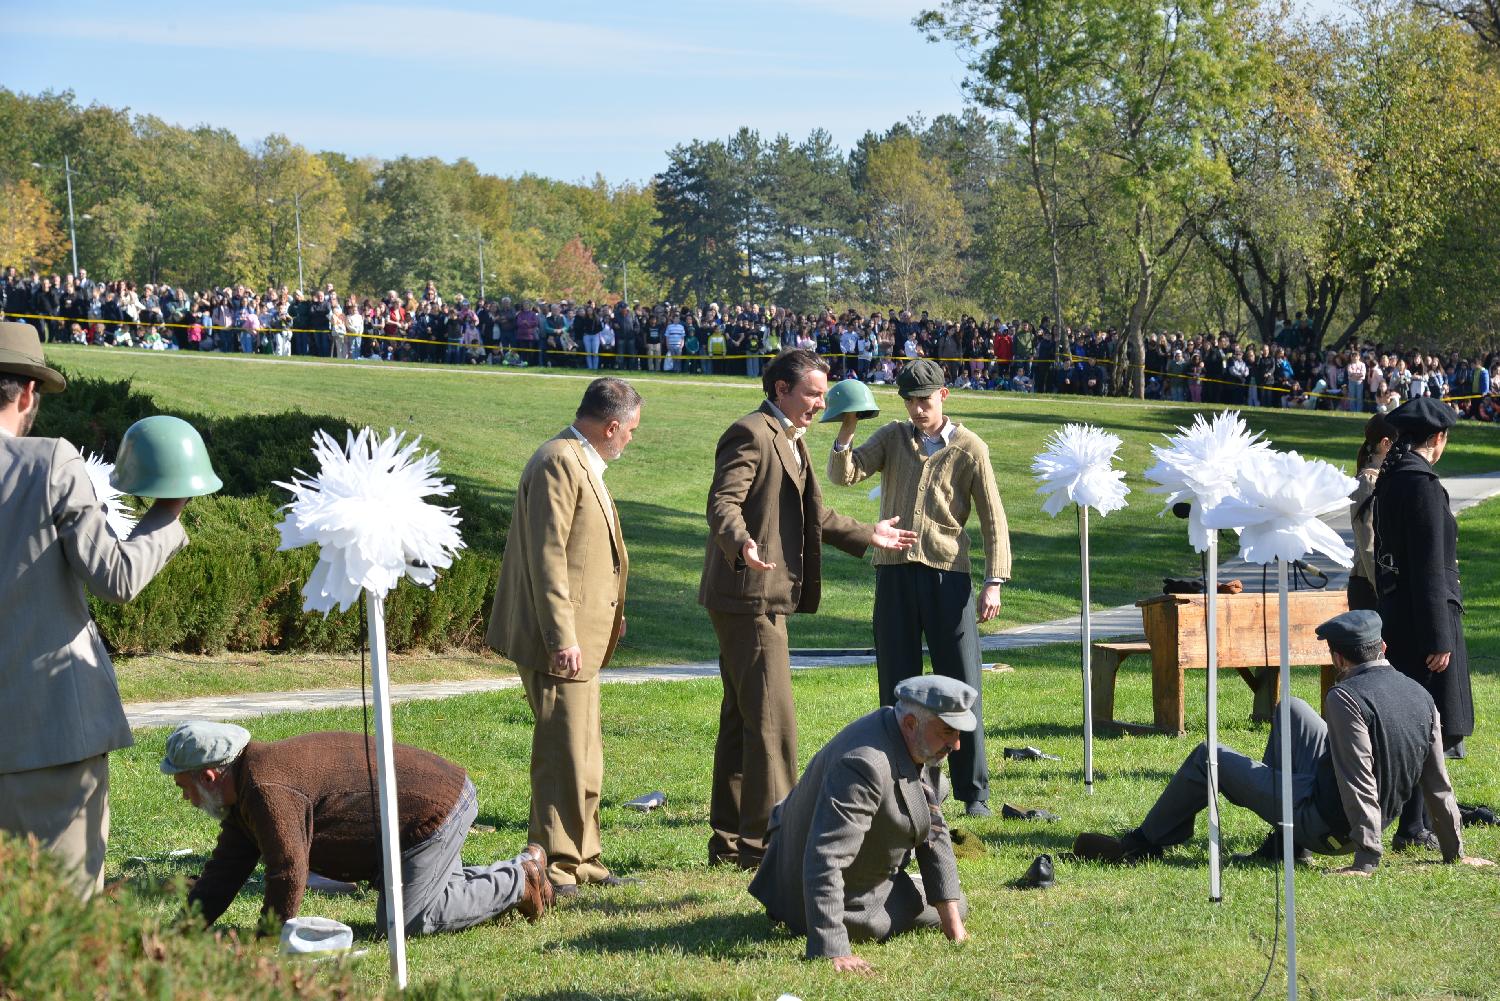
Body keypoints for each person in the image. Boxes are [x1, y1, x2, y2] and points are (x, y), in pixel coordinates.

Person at [698, 349, 917, 870]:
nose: (821, 403)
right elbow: (722, 502)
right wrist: (742, 542)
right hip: (749, 596)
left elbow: (816, 514)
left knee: (743, 721)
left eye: (823, 393)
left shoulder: (791, 441)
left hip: (760, 599)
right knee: (774, 724)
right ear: (780, 390)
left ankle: (732, 841)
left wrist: (871, 534)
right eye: (812, 393)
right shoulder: (752, 432)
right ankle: (772, 845)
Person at [1072, 611, 1492, 875]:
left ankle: (1142, 844)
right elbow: (1438, 783)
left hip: (1330, 827)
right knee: (1290, 708)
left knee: (1208, 757)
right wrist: (1455, 852)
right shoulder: (1421, 696)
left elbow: (1359, 780)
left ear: (1339, 659)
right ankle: (1281, 846)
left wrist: (1365, 860)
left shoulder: (1346, 697)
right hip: (1352, 811)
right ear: (1382, 648)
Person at [0, 321, 191, 897]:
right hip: (51, 730)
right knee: (60, 924)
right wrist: (169, 512)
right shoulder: (49, 462)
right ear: (29, 393)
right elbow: (117, 577)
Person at [827, 358, 1012, 817]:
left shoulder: (971, 448)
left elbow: (993, 519)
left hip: (948, 578)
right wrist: (846, 430)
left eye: (924, 401)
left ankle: (974, 793)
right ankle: (902, 781)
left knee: (961, 683)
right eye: (909, 401)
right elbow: (845, 474)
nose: (916, 410)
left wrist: (995, 581)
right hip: (892, 573)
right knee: (897, 682)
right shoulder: (892, 436)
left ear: (944, 396)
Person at [163, 722, 552, 934]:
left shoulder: (266, 789)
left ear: (211, 776)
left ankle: (521, 880)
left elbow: (288, 870)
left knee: (403, 920)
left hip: (434, 812)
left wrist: (269, 940)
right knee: (434, 894)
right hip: (417, 815)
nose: (185, 799)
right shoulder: (248, 786)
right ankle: (518, 872)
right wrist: (184, 928)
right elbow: (226, 869)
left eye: (184, 788)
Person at [486, 377, 642, 895]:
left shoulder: (582, 459)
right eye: (630, 432)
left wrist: (610, 611)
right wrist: (562, 636)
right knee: (562, 753)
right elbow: (547, 556)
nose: (630, 442)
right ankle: (553, 863)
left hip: (585, 636)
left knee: (585, 751)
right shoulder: (558, 460)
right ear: (612, 426)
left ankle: (584, 855)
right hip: (561, 641)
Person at [748, 676, 973, 971]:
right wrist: (832, 948)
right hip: (815, 902)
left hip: (823, 874)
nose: (956, 744)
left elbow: (933, 828)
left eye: (957, 733)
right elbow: (825, 856)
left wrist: (952, 923)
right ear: (910, 723)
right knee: (958, 902)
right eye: (948, 732)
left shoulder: (911, 738)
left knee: (952, 901)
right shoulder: (864, 764)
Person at [1372, 396, 1474, 851]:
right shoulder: (1423, 486)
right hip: (1424, 619)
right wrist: (1438, 635)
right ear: (1437, 438)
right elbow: (1432, 566)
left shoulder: (1394, 480)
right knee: (1431, 721)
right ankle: (1413, 826)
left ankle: (1417, 822)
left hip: (1398, 612)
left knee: (1419, 721)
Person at [1347, 413, 1395, 611]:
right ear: (1385, 443)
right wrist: (1382, 590)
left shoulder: (1381, 478)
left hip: (1381, 582)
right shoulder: (1367, 482)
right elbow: (1368, 543)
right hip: (1368, 585)